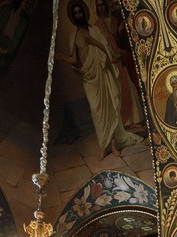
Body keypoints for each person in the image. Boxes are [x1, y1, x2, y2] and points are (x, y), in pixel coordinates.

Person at [61, 0, 143, 157]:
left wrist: (93, 41)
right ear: (73, 16)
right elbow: (74, 60)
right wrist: (62, 58)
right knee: (97, 111)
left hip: (101, 72)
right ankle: (104, 145)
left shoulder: (94, 31)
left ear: (84, 13)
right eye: (76, 13)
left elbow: (105, 49)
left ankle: (113, 146)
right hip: (89, 77)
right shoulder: (74, 36)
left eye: (80, 12)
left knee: (110, 109)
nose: (78, 15)